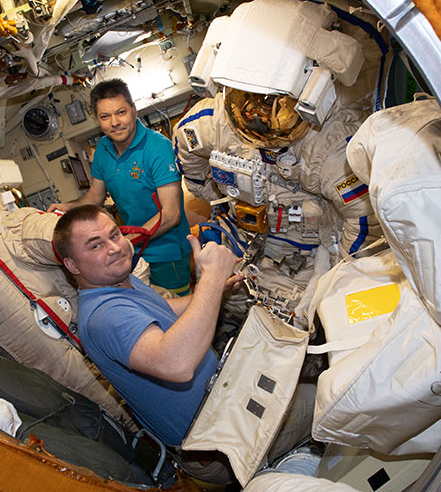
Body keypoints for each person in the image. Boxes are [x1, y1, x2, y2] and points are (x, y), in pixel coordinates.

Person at [52, 204, 315, 483]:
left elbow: (162, 309)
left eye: (114, 235)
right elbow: (176, 365)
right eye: (95, 246)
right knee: (323, 396)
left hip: (223, 408)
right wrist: (212, 278)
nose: (114, 248)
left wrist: (213, 291)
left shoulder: (119, 283)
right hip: (217, 445)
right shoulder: (106, 315)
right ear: (72, 265)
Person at [47, 78, 192, 294]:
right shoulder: (103, 149)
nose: (114, 122)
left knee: (177, 309)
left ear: (133, 110)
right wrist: (68, 207)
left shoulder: (157, 147)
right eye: (105, 116)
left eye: (121, 112)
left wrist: (124, 241)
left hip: (167, 251)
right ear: (98, 120)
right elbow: (95, 197)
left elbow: (171, 215)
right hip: (133, 251)